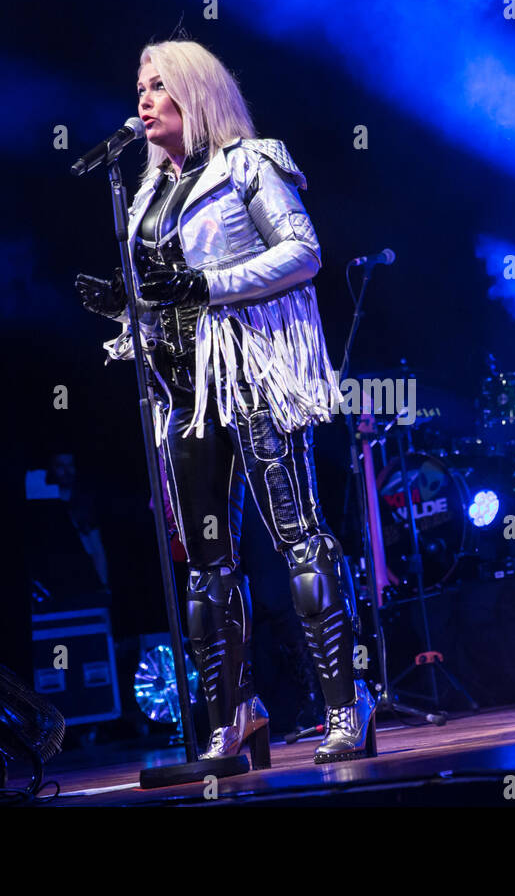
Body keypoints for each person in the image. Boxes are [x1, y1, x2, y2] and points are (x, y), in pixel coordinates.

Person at [74, 40, 375, 764]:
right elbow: (166, 292)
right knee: (206, 565)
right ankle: (234, 714)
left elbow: (304, 251)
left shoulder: (250, 163)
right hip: (183, 393)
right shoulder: (145, 193)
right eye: (138, 87)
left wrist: (210, 286)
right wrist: (127, 308)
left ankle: (347, 706)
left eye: (157, 86)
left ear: (195, 92)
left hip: (251, 376)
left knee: (299, 540)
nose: (142, 100)